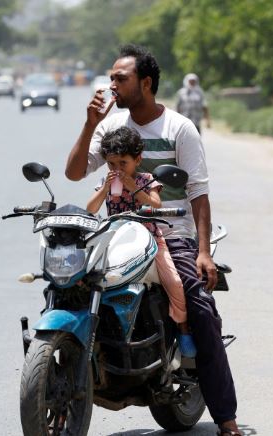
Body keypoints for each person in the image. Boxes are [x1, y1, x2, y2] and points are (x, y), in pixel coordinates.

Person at [66, 44, 240, 436]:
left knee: (201, 308)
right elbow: (76, 173)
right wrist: (90, 123)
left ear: (145, 83)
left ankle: (226, 417)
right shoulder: (110, 127)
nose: (112, 84)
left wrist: (203, 252)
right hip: (115, 233)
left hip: (169, 233)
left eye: (120, 78)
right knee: (72, 280)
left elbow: (198, 193)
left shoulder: (179, 128)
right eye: (111, 77)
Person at [86, 126, 197, 358]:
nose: (117, 169)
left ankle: (183, 329)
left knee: (174, 281)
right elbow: (91, 209)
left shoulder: (147, 180)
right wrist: (106, 187)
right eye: (111, 164)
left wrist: (133, 187)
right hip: (115, 237)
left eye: (123, 163)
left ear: (138, 159)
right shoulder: (105, 182)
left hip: (148, 236)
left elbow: (155, 204)